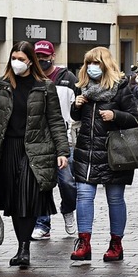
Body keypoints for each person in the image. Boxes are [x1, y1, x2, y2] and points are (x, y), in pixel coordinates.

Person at [0, 41, 69, 269]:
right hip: (7, 147)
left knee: (27, 197)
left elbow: (55, 121)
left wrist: (62, 150)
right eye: (14, 58)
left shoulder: (44, 86)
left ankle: (24, 248)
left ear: (31, 60)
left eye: (22, 58)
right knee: (14, 199)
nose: (17, 62)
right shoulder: (0, 85)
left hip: (35, 148)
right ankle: (22, 246)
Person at [69, 46, 138, 263]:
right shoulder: (83, 88)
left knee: (115, 198)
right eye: (89, 63)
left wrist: (115, 115)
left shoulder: (120, 88)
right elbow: (76, 117)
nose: (92, 67)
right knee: (83, 195)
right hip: (87, 151)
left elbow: (135, 119)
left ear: (106, 64)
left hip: (114, 153)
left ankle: (116, 244)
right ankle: (84, 242)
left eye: (96, 63)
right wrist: (76, 105)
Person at [31, 40, 78, 240]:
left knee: (67, 182)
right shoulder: (30, 77)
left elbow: (77, 111)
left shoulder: (67, 78)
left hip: (65, 139)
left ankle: (68, 209)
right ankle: (42, 223)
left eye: (44, 56)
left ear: (52, 56)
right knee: (41, 184)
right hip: (39, 141)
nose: (41, 59)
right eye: (38, 56)